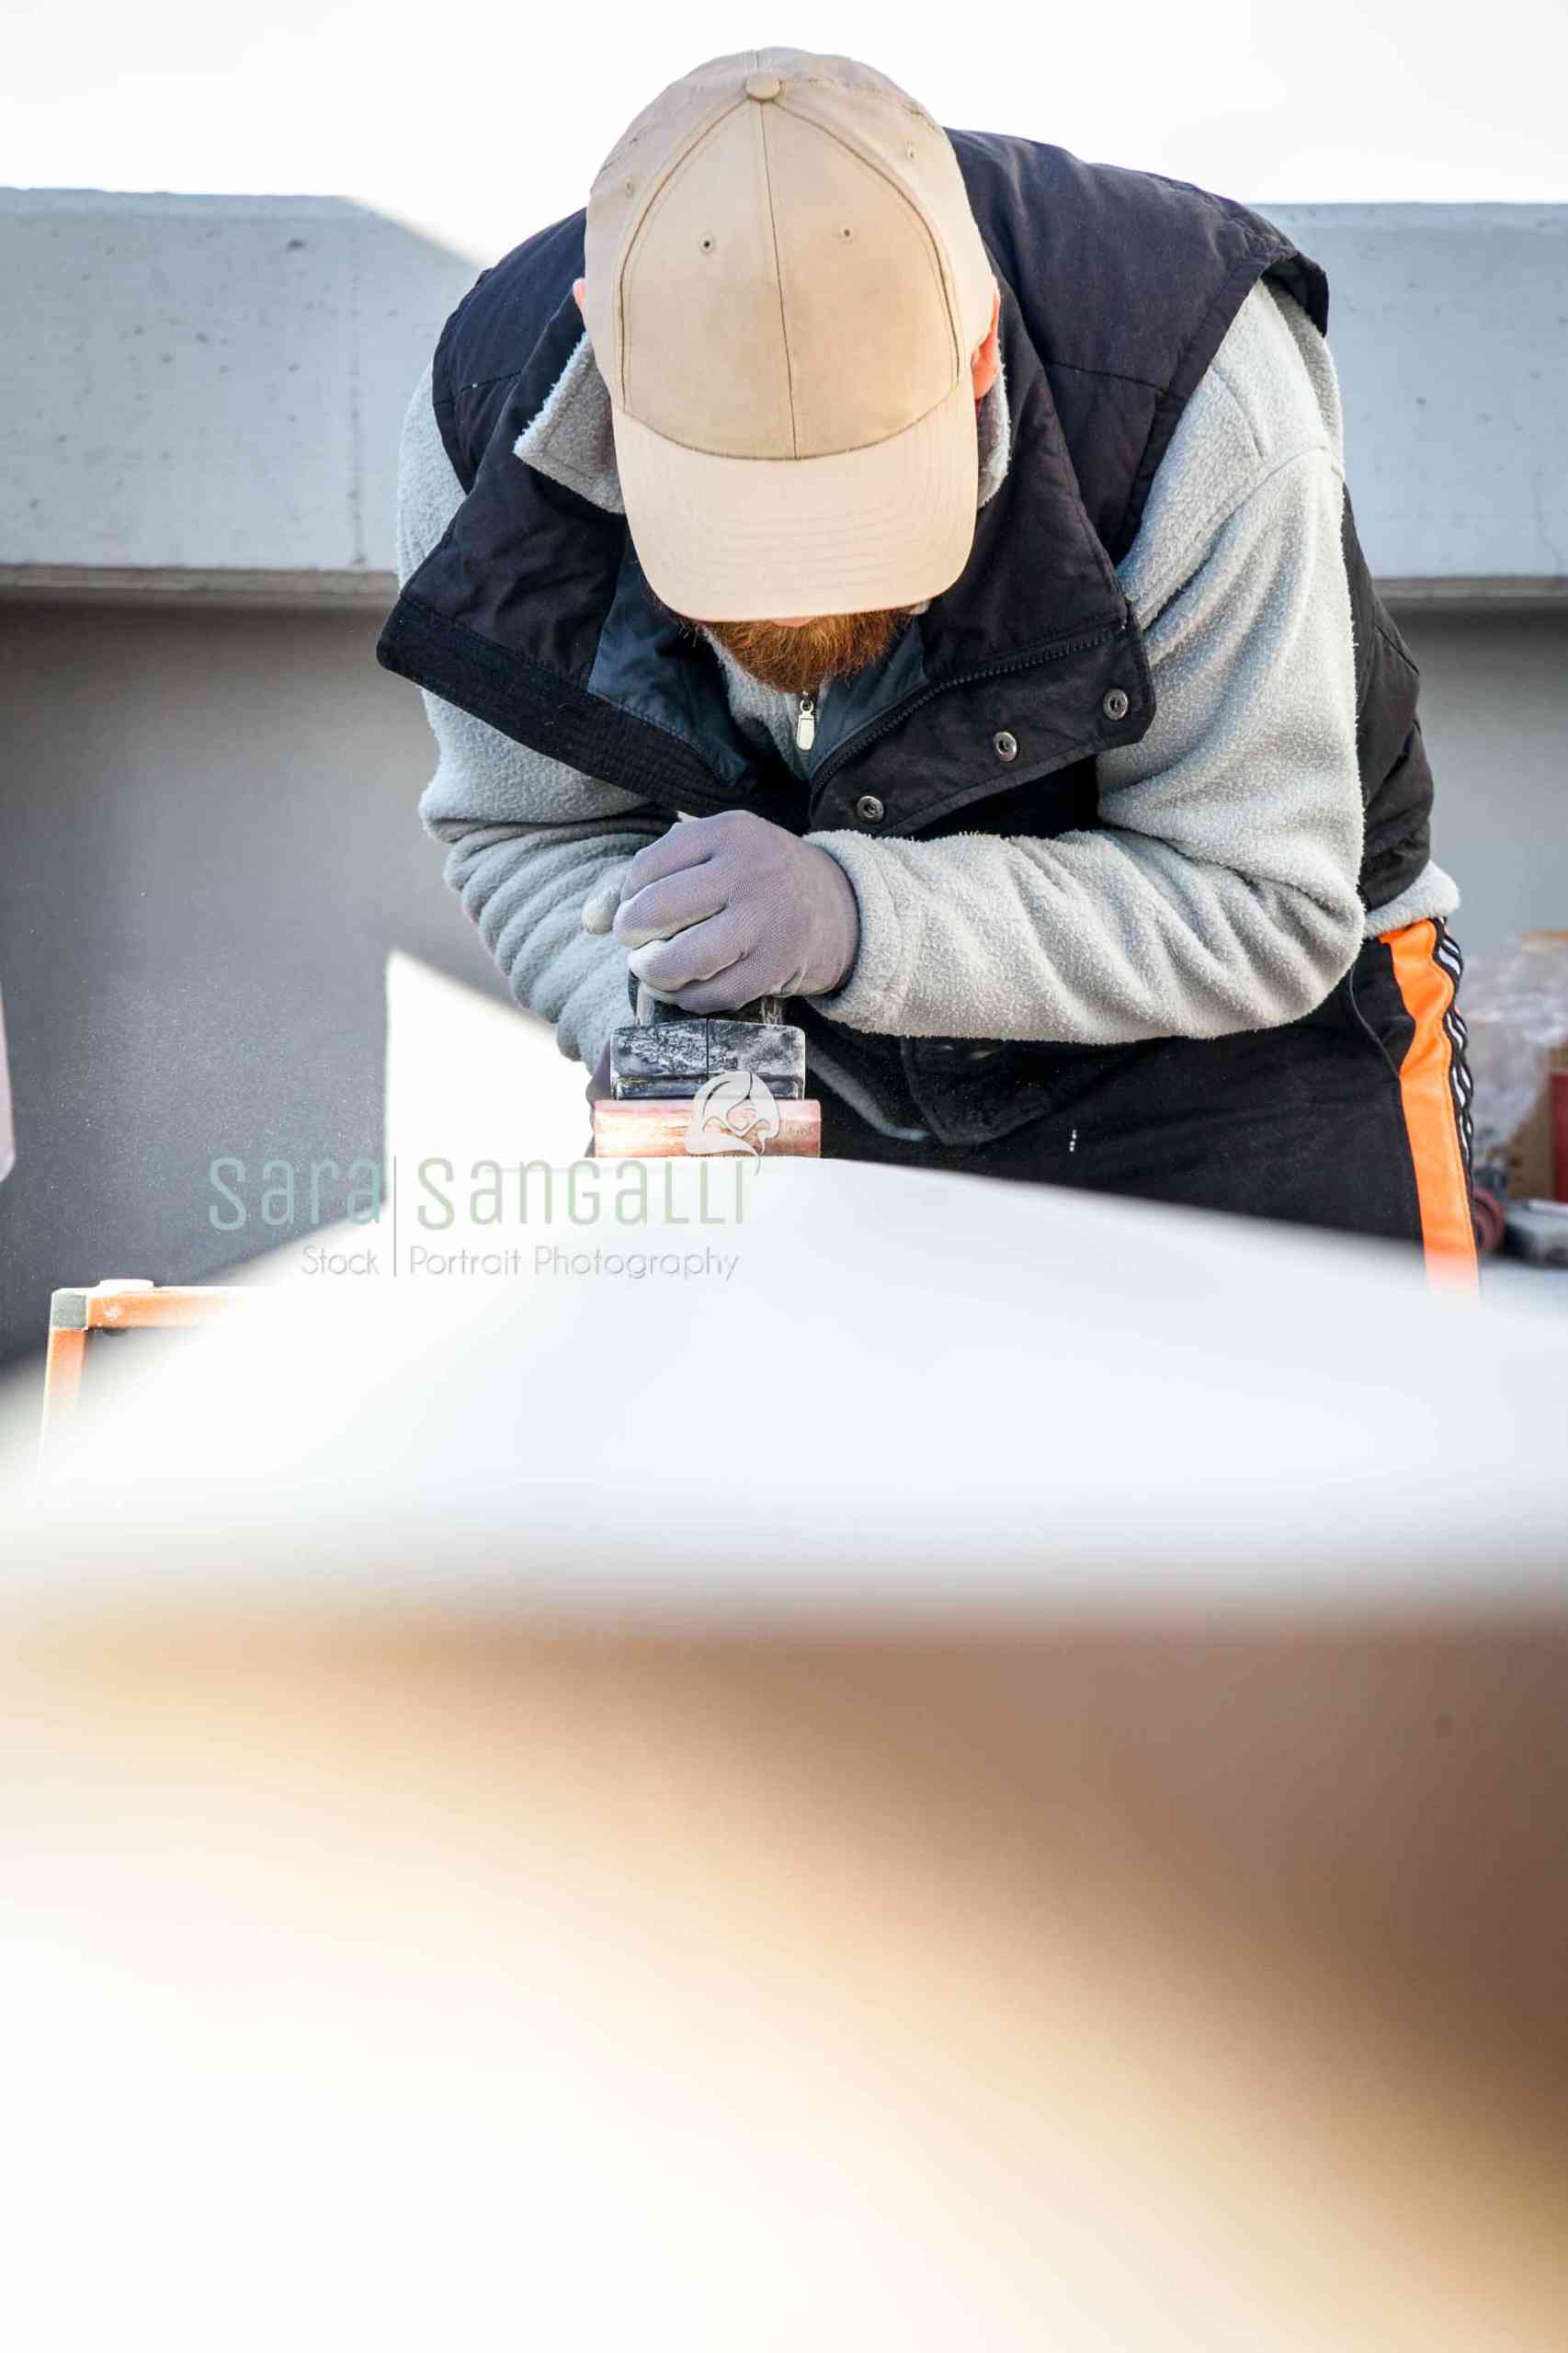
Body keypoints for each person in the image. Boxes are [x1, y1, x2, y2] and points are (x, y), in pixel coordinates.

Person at [381, 46, 1475, 1276]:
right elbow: (529, 828)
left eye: (855, 521)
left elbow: (1263, 906)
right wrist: (676, 1038)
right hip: (798, 1070)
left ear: (975, 356)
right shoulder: (487, 413)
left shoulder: (1193, 383)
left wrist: (851, 914)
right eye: (735, 525)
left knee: (1348, 1466)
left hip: (1245, 1060)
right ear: (605, 362)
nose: (800, 603)